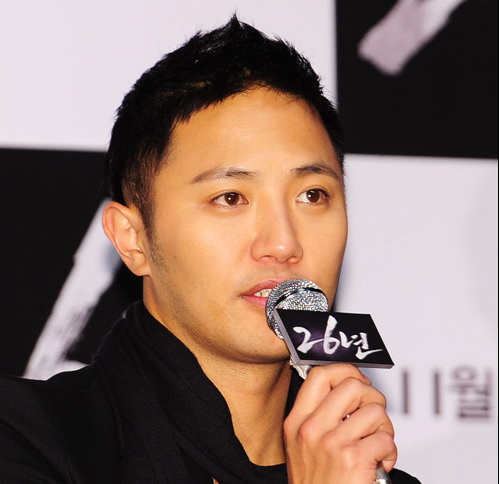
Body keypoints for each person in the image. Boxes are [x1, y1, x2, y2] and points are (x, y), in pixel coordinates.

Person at [0, 17, 421, 484]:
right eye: (230, 198)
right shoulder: (27, 441)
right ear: (132, 238)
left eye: (312, 195)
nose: (283, 244)